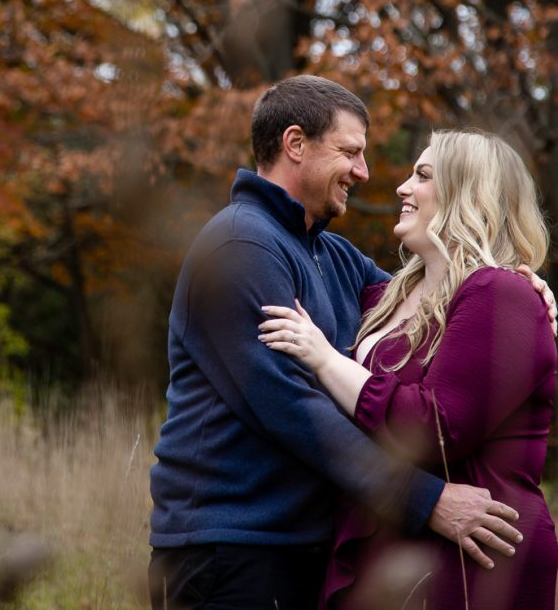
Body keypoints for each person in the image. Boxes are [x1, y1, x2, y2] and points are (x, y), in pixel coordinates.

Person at [149, 77, 539, 610]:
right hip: (231, 548)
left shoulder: (330, 255)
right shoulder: (240, 246)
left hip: (302, 547)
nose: (365, 172)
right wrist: (427, 501)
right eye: (351, 152)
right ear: (295, 144)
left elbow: (437, 297)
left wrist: (520, 287)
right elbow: (292, 407)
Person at [260, 128, 558, 609]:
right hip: (393, 547)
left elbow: (435, 427)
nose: (401, 187)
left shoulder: (503, 295)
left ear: (468, 194)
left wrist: (323, 357)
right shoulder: (384, 297)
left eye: (422, 175)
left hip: (474, 558)